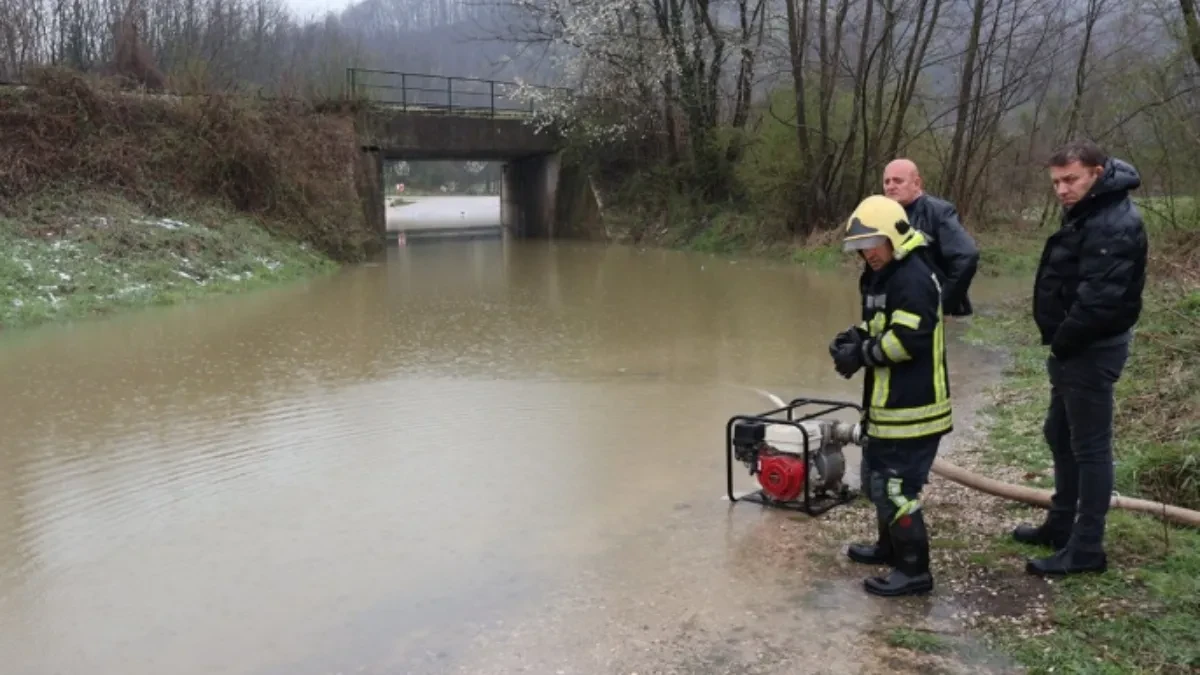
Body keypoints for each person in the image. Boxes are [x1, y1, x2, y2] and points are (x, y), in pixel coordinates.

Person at [1012, 140, 1148, 577]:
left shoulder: (1115, 221)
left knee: (1090, 447)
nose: (1062, 190)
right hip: (1074, 346)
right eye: (1056, 182)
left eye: (1070, 179)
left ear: (1097, 171)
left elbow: (1100, 301)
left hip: (1092, 347)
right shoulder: (1091, 210)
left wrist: (1064, 341)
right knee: (1059, 432)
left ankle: (1087, 547)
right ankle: (1061, 522)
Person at [828, 194, 954, 597]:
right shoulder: (882, 275)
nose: (867, 254)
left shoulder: (913, 276)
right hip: (888, 409)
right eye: (860, 248)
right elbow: (882, 326)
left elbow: (906, 341)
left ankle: (914, 571)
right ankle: (889, 548)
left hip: (914, 410)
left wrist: (861, 355)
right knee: (876, 481)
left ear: (894, 236)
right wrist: (855, 338)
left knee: (896, 490)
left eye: (872, 244)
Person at [882, 159, 980, 317]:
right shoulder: (886, 216)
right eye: (887, 182)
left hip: (937, 315)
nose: (890, 186)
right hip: (903, 310)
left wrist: (942, 305)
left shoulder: (938, 211)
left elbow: (967, 256)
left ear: (917, 183)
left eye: (898, 181)